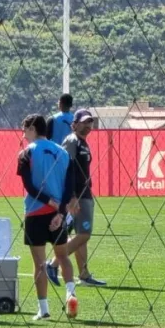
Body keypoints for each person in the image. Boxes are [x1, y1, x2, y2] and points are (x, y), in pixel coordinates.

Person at [17, 114, 78, 320]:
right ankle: (70, 293)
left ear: (32, 128)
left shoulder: (26, 153)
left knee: (39, 264)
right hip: (57, 216)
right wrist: (60, 212)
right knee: (62, 257)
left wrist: (48, 201)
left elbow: (29, 186)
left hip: (35, 212)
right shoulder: (62, 153)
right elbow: (69, 187)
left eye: (25, 129)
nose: (23, 134)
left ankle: (43, 309)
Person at [48, 109, 106, 287]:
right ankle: (53, 264)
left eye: (90, 122)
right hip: (78, 195)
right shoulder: (73, 141)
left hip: (83, 193)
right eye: (85, 122)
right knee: (84, 235)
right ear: (75, 123)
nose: (89, 125)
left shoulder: (81, 142)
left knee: (80, 234)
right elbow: (65, 168)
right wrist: (72, 196)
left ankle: (84, 274)